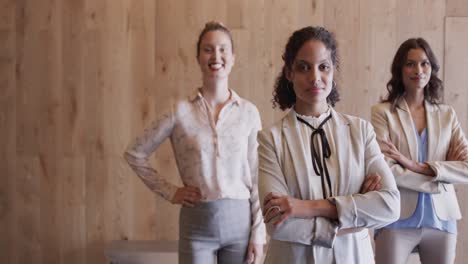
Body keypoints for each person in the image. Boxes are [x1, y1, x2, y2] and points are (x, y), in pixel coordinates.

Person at [124, 21, 265, 264]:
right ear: (198, 57)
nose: (216, 56)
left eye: (223, 49)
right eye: (208, 49)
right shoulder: (179, 111)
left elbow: (257, 176)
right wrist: (171, 192)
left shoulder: (249, 113)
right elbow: (134, 153)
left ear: (233, 57)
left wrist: (259, 233)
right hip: (197, 227)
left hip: (241, 227)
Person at [257, 26, 400, 264]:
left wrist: (306, 207)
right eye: (304, 67)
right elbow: (277, 223)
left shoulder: (361, 131)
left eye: (323, 66)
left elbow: (390, 206)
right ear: (289, 73)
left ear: (333, 71)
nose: (315, 77)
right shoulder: (270, 139)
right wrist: (356, 211)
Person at [372, 37, 468, 264]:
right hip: (395, 218)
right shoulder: (383, 112)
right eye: (410, 63)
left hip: (442, 220)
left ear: (431, 68)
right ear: (400, 69)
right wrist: (439, 176)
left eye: (424, 63)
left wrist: (413, 165)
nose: (418, 70)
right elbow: (385, 168)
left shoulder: (447, 115)